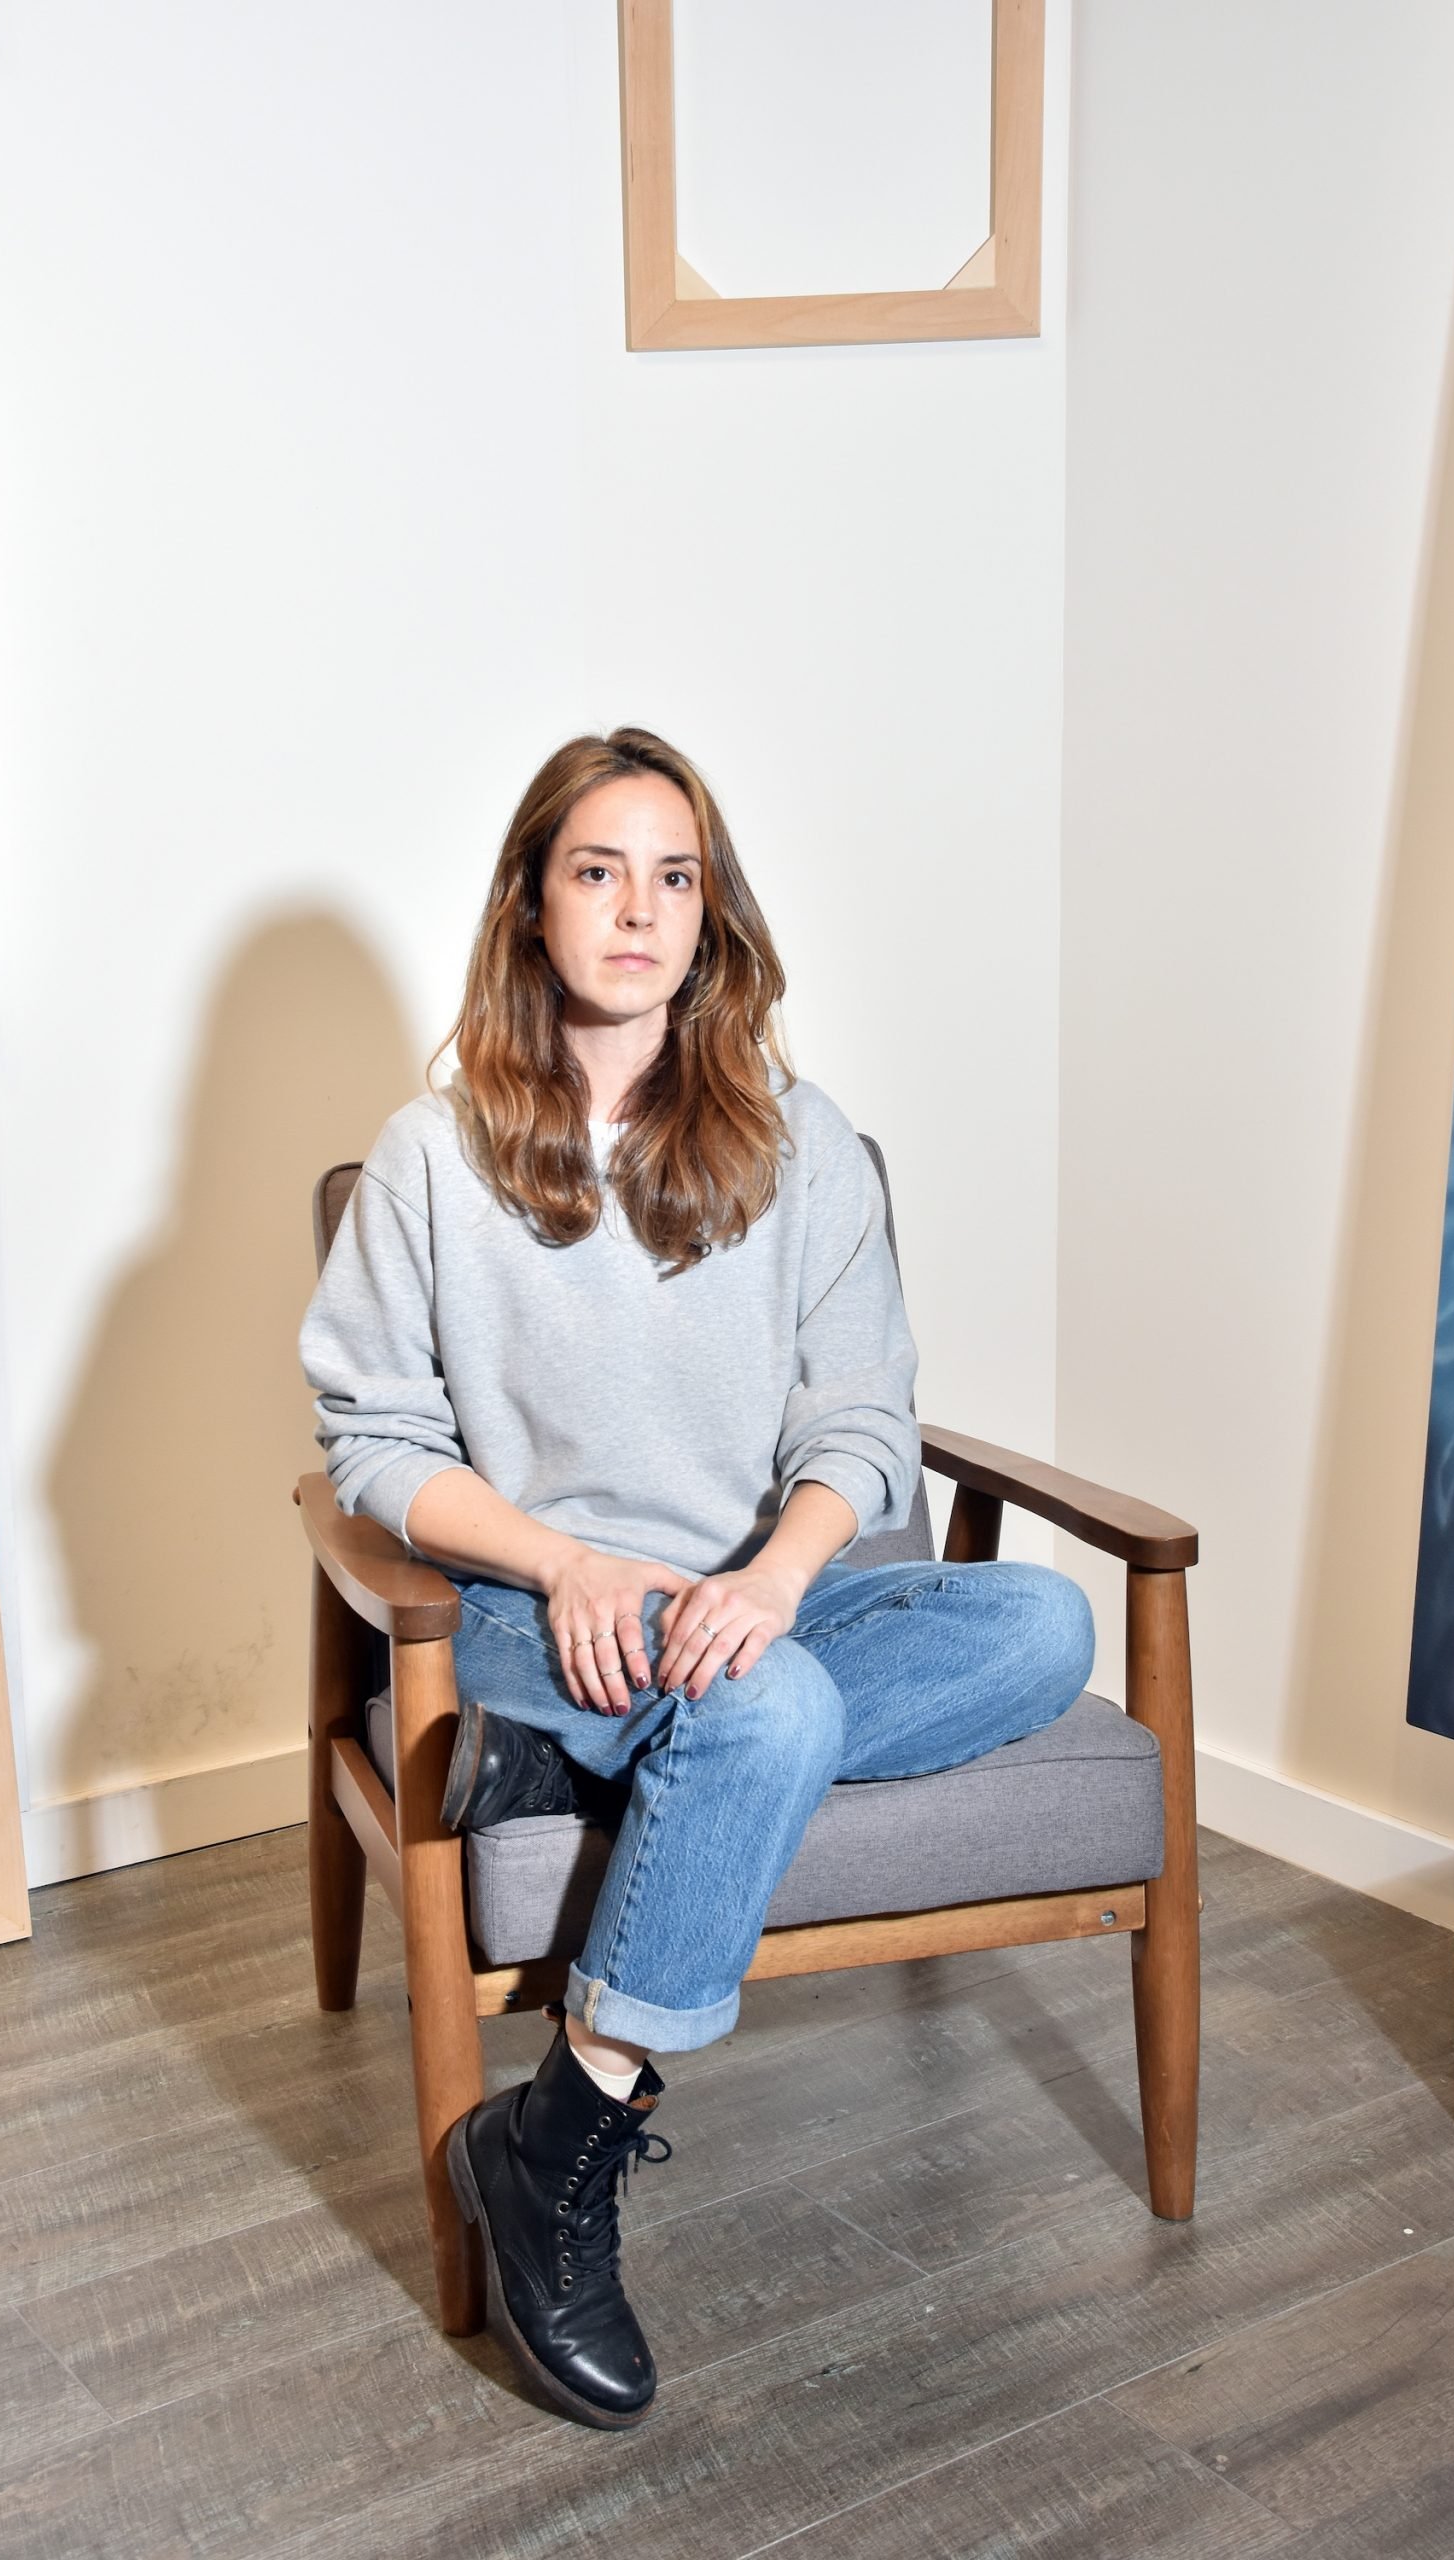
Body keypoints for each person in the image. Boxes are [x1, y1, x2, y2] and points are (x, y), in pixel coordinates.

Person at [299, 728, 1095, 2431]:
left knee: (1041, 1621)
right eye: (600, 871)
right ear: (533, 904)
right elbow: (371, 1442)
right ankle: (580, 2117)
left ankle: (546, 2125)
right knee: (771, 1707)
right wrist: (569, 1556)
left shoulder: (800, 1143)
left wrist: (781, 1581)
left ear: (712, 918)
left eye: (677, 878)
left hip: (751, 1601)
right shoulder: (434, 1161)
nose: (640, 912)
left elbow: (869, 1421)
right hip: (529, 1608)